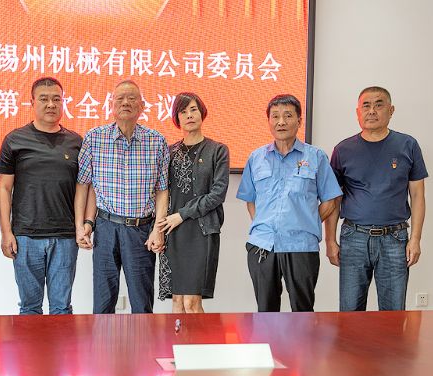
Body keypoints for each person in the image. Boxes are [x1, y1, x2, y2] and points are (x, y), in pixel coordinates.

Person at [326, 86, 428, 311]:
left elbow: (418, 195)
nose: (372, 111)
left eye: (379, 105)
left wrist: (415, 239)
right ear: (358, 112)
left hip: (395, 238)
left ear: (391, 110)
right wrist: (330, 241)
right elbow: (333, 200)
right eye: (366, 105)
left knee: (393, 313)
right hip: (354, 238)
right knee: (350, 312)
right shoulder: (343, 150)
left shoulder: (408, 145)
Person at [237, 94, 342, 312]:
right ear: (269, 121)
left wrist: (307, 219)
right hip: (262, 246)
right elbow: (251, 201)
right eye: (275, 116)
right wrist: (264, 224)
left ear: (299, 121)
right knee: (265, 312)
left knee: (303, 312)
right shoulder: (256, 158)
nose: (281, 122)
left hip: (301, 246)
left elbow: (331, 199)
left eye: (287, 116)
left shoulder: (316, 157)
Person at [74, 80, 169, 314]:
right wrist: (81, 226)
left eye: (132, 98)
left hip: (141, 230)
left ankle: (144, 341)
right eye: (120, 98)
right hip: (106, 228)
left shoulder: (156, 141)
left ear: (142, 106)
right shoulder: (94, 138)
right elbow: (83, 185)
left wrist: (158, 229)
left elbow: (162, 190)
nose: (126, 102)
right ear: (112, 105)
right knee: (103, 303)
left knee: (142, 304)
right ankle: (102, 340)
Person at [0, 77, 84, 315]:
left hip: (65, 237)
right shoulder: (15, 140)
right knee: (29, 308)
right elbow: (3, 188)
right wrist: (6, 232)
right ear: (32, 102)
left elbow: (83, 189)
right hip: (26, 236)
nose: (51, 104)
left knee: (61, 308)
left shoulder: (76, 142)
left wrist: (83, 226)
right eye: (44, 99)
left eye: (56, 99)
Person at [156, 92, 230, 313]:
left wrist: (182, 214)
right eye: (183, 111)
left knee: (192, 302)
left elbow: (217, 194)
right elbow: (161, 192)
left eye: (193, 109)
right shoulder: (169, 152)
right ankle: (177, 338)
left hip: (201, 231)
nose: (189, 115)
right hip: (172, 231)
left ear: (202, 113)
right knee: (177, 301)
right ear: (177, 118)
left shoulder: (218, 150)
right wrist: (157, 229)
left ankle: (199, 338)